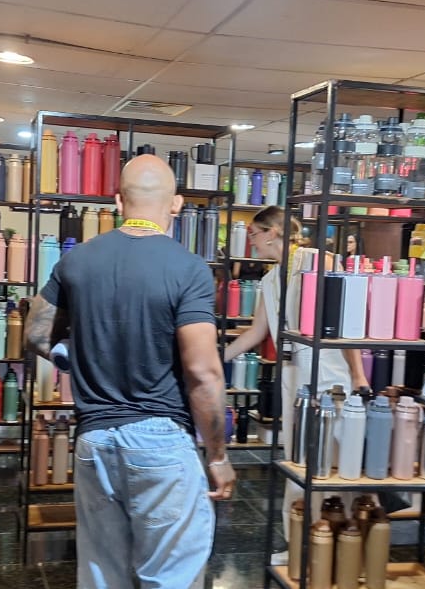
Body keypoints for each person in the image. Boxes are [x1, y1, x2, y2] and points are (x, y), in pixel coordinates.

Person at [24, 155, 235, 589]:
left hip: (94, 442)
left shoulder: (77, 261)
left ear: (118, 200)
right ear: (176, 204)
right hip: (160, 443)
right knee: (171, 578)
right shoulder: (189, 269)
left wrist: (75, 357)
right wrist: (217, 456)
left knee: (103, 576)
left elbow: (35, 333)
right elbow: (203, 373)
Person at [222, 206, 369, 565]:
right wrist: (214, 357)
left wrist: (358, 374)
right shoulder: (270, 279)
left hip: (330, 371)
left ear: (272, 232)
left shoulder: (320, 262)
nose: (251, 242)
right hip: (292, 375)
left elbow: (345, 321)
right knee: (300, 460)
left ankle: (347, 543)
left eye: (254, 234)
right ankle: (302, 545)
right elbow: (257, 332)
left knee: (338, 461)